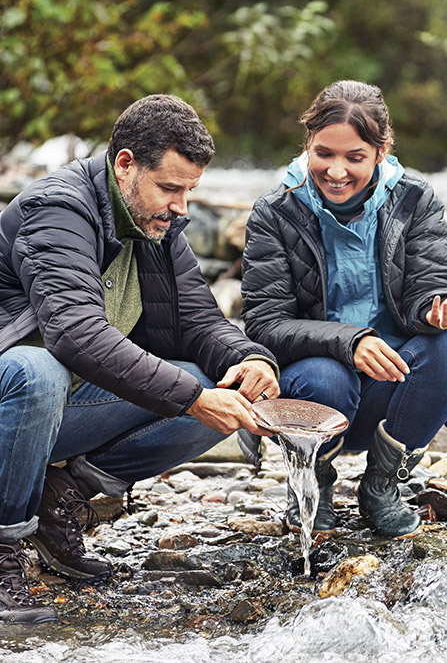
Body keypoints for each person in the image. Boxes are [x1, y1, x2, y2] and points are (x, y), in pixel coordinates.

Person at [0, 94, 280, 624]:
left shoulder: (157, 225)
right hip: (12, 402)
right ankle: (4, 546)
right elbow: (76, 335)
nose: (182, 208)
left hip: (61, 414)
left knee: (215, 381)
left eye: (190, 191)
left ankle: (63, 499)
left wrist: (251, 358)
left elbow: (199, 321)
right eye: (170, 188)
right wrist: (194, 400)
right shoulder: (56, 210)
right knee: (38, 371)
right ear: (125, 164)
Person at [240, 80, 447, 541]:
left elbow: (429, 285)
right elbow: (266, 324)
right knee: (326, 375)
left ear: (381, 152)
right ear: (307, 143)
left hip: (391, 392)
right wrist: (351, 342)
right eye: (323, 153)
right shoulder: (274, 211)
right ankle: (313, 485)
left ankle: (381, 487)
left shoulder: (415, 199)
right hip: (316, 391)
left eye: (354, 157)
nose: (336, 170)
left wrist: (435, 311)